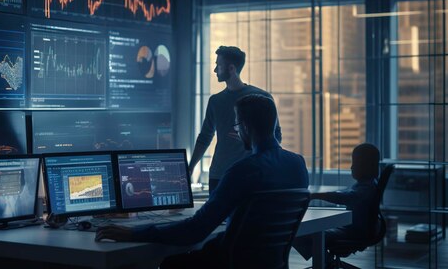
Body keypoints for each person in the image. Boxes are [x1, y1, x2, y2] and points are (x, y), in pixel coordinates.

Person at [96, 94, 309, 269]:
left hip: (230, 263)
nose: (236, 130)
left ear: (244, 126)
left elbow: (196, 230)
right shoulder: (298, 165)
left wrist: (136, 232)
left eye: (237, 125)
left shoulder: (242, 170)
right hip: (269, 263)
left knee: (170, 263)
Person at [189, 45, 282, 194]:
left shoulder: (262, 98)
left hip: (250, 174)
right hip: (219, 176)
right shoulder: (215, 101)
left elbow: (276, 135)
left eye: (218, 65)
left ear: (231, 69)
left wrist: (256, 150)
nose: (215, 70)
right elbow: (205, 137)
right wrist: (191, 167)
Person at [293, 143, 381, 263]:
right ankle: (324, 260)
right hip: (357, 230)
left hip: (353, 233)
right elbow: (349, 195)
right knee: (310, 234)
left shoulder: (367, 187)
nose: (351, 167)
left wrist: (316, 195)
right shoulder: (369, 184)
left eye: (355, 163)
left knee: (298, 234)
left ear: (366, 166)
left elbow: (348, 197)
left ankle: (323, 261)